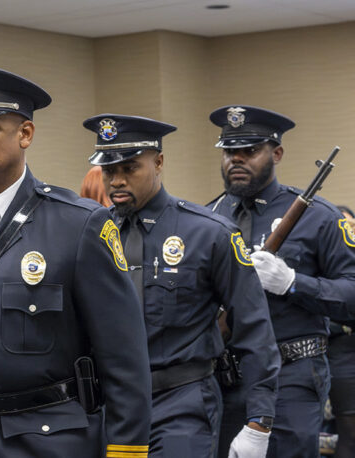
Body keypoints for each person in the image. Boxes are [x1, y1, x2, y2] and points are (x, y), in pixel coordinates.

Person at [0, 65, 151, 457]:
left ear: (25, 134)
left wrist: (126, 452)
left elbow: (125, 361)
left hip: (41, 440)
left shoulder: (79, 224)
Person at [86, 114, 280, 457]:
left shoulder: (208, 233)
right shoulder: (93, 234)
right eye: (108, 170)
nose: (116, 180)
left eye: (129, 168)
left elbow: (254, 328)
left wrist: (259, 421)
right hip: (110, 404)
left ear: (158, 162)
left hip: (180, 402)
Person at [207, 105, 355, 458]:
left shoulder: (318, 217)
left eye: (250, 151)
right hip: (225, 376)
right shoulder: (207, 217)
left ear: (276, 153)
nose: (237, 160)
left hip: (291, 375)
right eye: (230, 152)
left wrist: (293, 283)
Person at [326, 205, 355, 457]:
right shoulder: (326, 262)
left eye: (353, 226)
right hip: (341, 354)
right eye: (344, 226)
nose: (349, 231)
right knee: (350, 433)